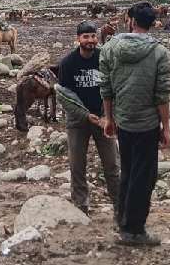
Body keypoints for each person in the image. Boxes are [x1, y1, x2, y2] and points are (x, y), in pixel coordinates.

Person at [100, 1, 170, 246]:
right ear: (152, 23)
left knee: (128, 171)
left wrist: (109, 118)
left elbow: (106, 88)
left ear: (130, 20)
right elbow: (161, 95)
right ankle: (134, 231)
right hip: (147, 125)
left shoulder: (109, 48)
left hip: (123, 122)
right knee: (145, 176)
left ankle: (123, 219)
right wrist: (167, 128)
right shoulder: (159, 52)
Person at [55, 21, 120, 218]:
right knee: (77, 165)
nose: (90, 40)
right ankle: (81, 205)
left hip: (103, 120)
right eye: (86, 37)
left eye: (93, 36)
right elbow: (64, 96)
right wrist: (85, 115)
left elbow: (115, 88)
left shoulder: (104, 59)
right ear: (78, 39)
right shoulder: (67, 64)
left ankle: (119, 205)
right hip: (78, 122)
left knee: (112, 165)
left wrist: (108, 116)